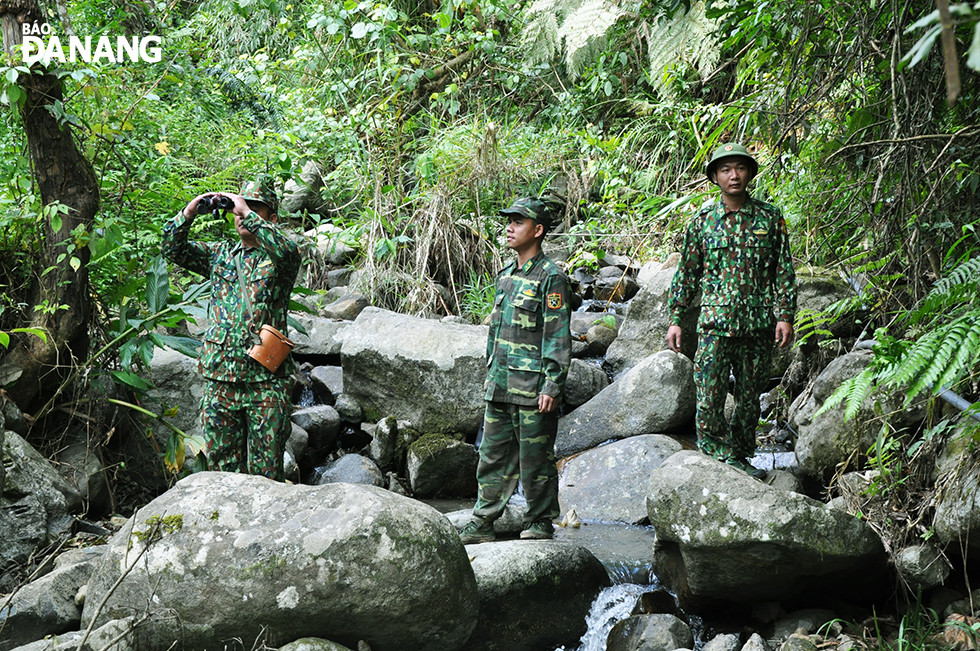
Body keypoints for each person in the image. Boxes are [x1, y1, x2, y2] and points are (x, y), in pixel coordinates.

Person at [666, 143, 796, 479]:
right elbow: (687, 274)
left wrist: (785, 315)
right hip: (714, 325)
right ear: (715, 177)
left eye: (739, 168)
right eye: (725, 170)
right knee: (709, 395)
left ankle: (740, 456)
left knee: (750, 399)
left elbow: (783, 269)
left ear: (749, 173)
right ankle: (718, 455)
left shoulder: (769, 217)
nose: (733, 175)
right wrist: (677, 319)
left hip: (757, 325)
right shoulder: (703, 222)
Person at [162, 177, 300, 481]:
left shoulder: (278, 259)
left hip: (265, 382)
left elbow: (289, 250)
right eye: (239, 207)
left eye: (253, 208)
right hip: (220, 381)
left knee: (267, 475)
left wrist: (246, 212)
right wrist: (188, 213)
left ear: (271, 219)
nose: (241, 213)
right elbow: (172, 249)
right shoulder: (219, 255)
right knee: (223, 473)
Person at [459, 197, 572, 543]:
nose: (509, 227)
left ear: (537, 231)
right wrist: (490, 374)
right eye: (508, 221)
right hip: (501, 383)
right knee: (492, 457)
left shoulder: (551, 277)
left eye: (518, 222)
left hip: (532, 386)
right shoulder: (505, 275)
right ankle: (482, 522)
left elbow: (557, 333)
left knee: (535, 459)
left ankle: (539, 521)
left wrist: (552, 384)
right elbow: (495, 331)